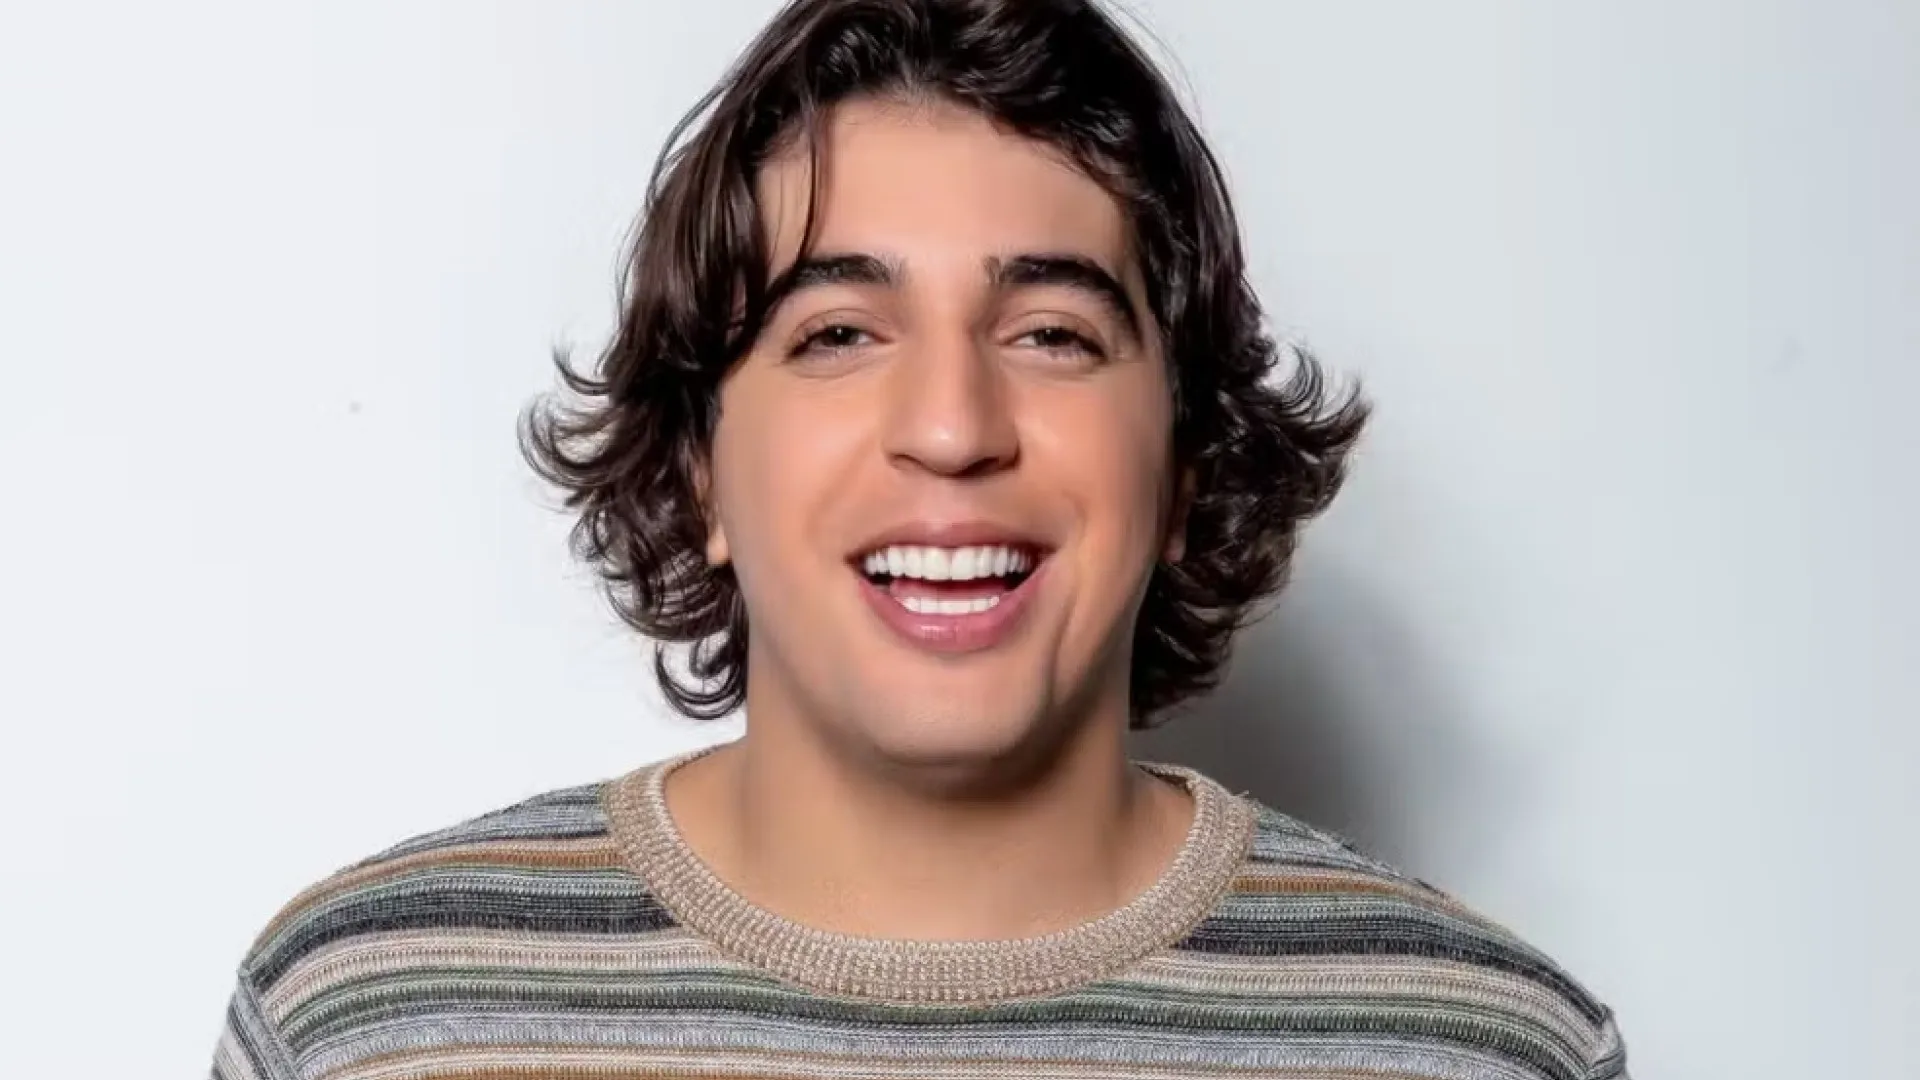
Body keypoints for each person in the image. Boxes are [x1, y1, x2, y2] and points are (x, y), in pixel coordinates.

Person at [211, 0, 1630, 1076]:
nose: (952, 427)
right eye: (838, 334)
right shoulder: (368, 1021)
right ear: (701, 472)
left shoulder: (1481, 1047)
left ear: (1186, 466)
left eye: (1053, 334)